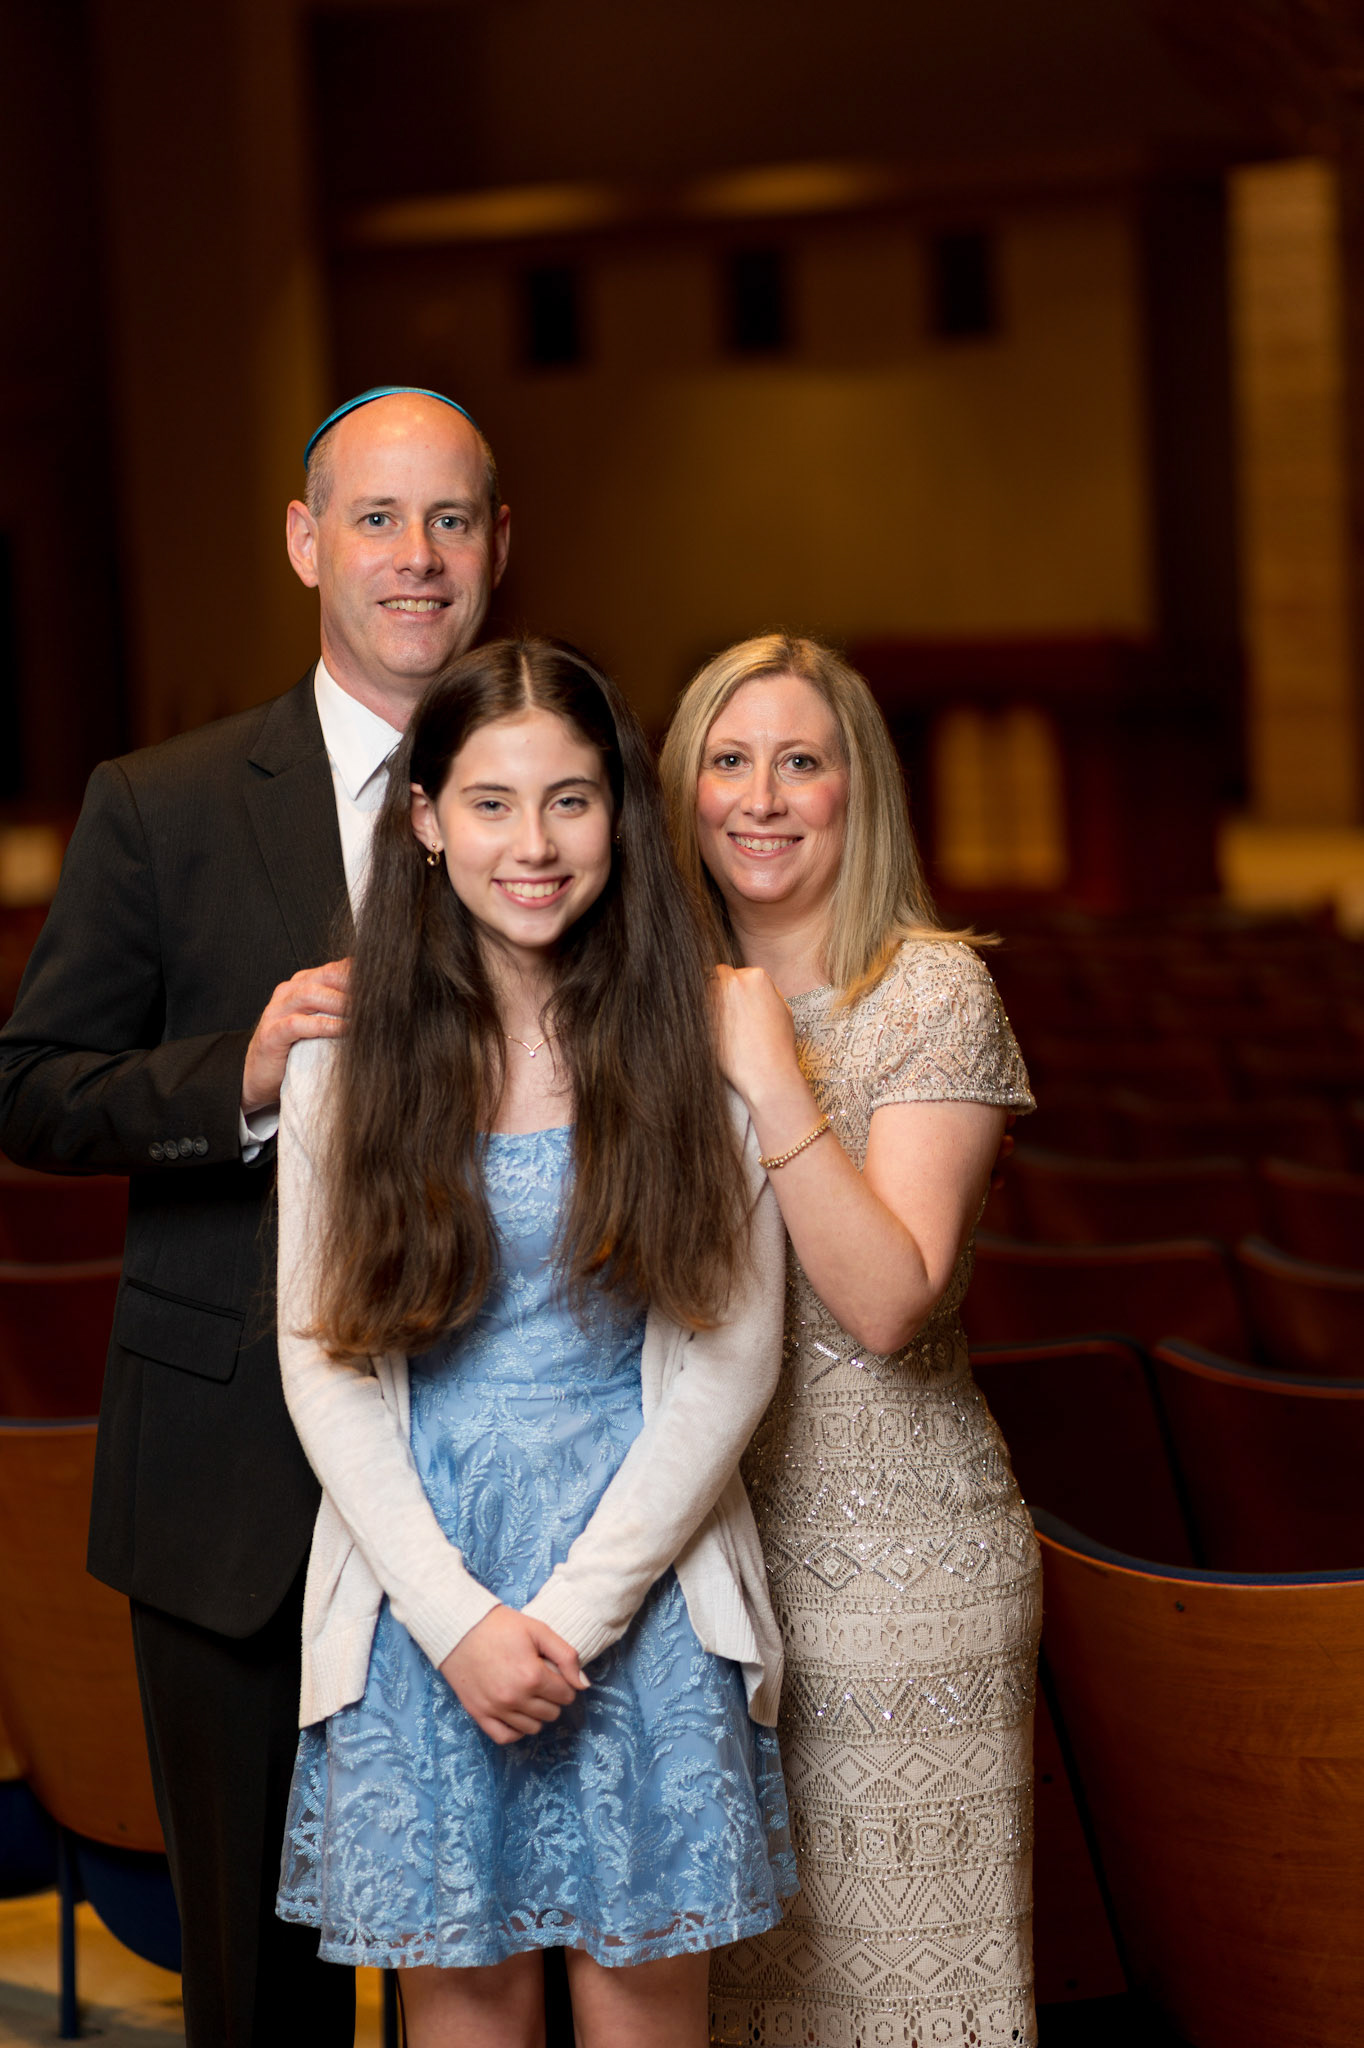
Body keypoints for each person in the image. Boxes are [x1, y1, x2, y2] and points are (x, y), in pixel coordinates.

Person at [0, 386, 509, 2047]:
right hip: (236, 1497)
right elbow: (34, 1084)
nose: (415, 559)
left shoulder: (567, 792)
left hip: (516, 1490)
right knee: (256, 1997)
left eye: (451, 520)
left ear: (499, 547)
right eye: (377, 519)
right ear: (307, 544)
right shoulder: (164, 801)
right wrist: (245, 1072)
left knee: (507, 1966)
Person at [270, 636, 796, 2047]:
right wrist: (459, 1623)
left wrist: (568, 1618)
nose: (536, 843)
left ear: (619, 814)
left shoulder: (691, 1046)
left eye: (571, 799)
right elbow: (320, 1363)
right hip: (426, 1601)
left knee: (640, 2016)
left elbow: (732, 1356)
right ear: (428, 821)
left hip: (637, 1591)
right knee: (470, 2016)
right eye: (492, 803)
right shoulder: (342, 1065)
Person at [659, 632, 1041, 2048]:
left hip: (906, 1589)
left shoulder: (932, 991)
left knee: (903, 2010)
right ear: (682, 791)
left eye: (801, 762)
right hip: (701, 1580)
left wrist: (767, 1076)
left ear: (855, 789)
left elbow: (889, 1304)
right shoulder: (650, 1006)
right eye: (730, 759)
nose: (763, 797)